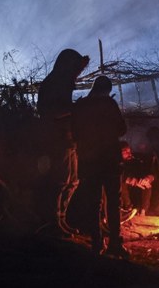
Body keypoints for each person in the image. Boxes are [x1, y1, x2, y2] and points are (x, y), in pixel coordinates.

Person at [71, 76, 129, 258]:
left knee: (93, 202)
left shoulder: (81, 105)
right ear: (106, 90)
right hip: (109, 160)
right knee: (113, 202)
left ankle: (97, 242)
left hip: (89, 161)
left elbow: (75, 132)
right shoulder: (109, 105)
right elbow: (121, 129)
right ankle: (114, 242)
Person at [36, 48, 89, 237]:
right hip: (56, 138)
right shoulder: (52, 84)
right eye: (74, 67)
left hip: (68, 138)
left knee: (73, 181)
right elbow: (50, 112)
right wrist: (74, 109)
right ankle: (53, 222)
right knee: (60, 181)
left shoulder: (62, 81)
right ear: (66, 65)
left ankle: (61, 219)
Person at [120, 140, 154, 219]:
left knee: (147, 185)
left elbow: (148, 172)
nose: (129, 153)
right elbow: (117, 177)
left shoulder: (135, 161)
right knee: (121, 184)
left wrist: (148, 178)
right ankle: (127, 209)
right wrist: (131, 181)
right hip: (122, 192)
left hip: (134, 190)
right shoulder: (115, 163)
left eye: (129, 151)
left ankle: (143, 211)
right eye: (125, 152)